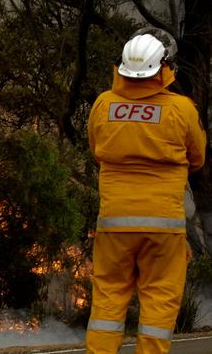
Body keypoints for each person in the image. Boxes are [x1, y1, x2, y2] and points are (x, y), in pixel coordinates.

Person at [86, 28, 206, 353]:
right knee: (158, 307)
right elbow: (198, 158)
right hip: (163, 226)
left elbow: (97, 149)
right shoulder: (182, 109)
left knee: (107, 308)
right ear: (164, 68)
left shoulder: (103, 105)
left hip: (114, 224)